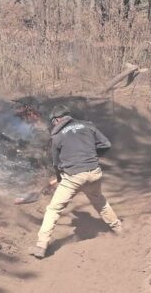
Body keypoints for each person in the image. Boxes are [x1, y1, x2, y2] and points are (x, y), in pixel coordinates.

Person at [28, 105, 122, 259]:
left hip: (73, 177)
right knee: (99, 201)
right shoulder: (88, 125)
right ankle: (119, 229)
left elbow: (56, 163)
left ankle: (41, 245)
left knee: (53, 209)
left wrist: (60, 177)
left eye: (53, 122)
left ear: (57, 119)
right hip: (94, 173)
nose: (53, 125)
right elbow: (106, 144)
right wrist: (91, 155)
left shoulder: (57, 136)